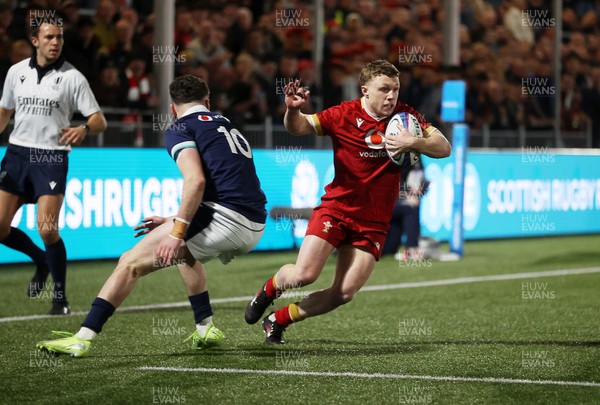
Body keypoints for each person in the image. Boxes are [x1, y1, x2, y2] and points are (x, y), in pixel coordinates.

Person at [36, 75, 267, 357]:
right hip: (254, 224)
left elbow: (196, 182)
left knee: (129, 263)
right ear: (208, 102)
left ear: (172, 108)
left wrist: (176, 231)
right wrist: (172, 220)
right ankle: (206, 328)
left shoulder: (181, 128)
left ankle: (82, 338)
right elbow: (229, 185)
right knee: (185, 253)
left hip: (224, 219)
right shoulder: (227, 125)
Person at [244, 59, 451, 344]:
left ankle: (278, 320)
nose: (391, 96)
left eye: (396, 89)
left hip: (374, 220)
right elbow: (299, 127)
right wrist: (293, 110)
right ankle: (269, 290)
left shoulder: (406, 117)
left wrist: (413, 142)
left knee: (344, 293)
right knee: (304, 274)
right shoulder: (343, 114)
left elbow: (444, 147)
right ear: (365, 90)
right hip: (336, 210)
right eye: (384, 89)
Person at [0, 20, 107, 315]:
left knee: (47, 229)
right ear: (35, 40)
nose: (55, 42)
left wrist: (84, 128)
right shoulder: (16, 72)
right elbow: (5, 110)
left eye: (59, 36)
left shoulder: (73, 77)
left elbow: (100, 120)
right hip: (17, 154)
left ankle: (59, 298)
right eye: (49, 37)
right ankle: (40, 261)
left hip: (51, 157)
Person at [382, 160, 429, 260]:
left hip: (399, 205)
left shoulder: (417, 158)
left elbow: (421, 180)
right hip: (387, 202)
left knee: (389, 250)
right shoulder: (399, 155)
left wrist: (422, 188)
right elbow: (390, 178)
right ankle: (412, 248)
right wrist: (406, 195)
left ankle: (410, 247)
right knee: (410, 208)